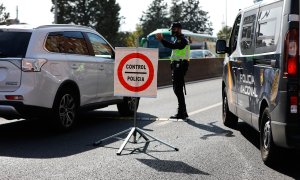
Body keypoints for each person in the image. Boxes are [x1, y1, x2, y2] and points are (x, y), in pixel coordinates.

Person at [155, 22, 190, 119]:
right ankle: (183, 112)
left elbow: (173, 46)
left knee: (177, 90)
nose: (172, 31)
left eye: (173, 29)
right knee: (178, 89)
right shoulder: (178, 39)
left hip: (180, 65)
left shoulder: (182, 40)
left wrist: (162, 40)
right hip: (178, 65)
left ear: (178, 29)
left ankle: (181, 113)